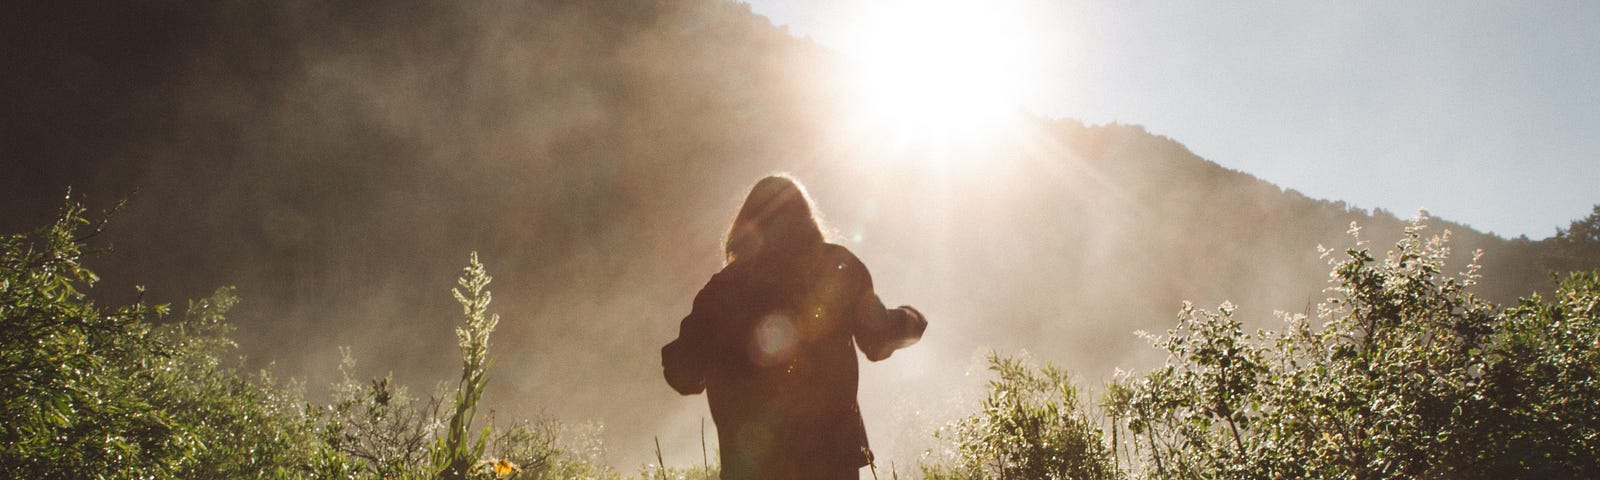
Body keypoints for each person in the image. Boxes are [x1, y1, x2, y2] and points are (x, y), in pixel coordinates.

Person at [662, 175, 928, 480]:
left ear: (747, 224)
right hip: (830, 460)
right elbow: (878, 338)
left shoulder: (722, 289)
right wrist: (911, 320)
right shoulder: (836, 267)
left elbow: (683, 374)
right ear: (806, 219)